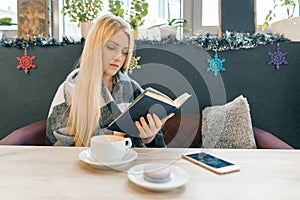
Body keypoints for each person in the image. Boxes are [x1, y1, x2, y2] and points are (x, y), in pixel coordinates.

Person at [46, 14, 171, 147]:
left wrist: (149, 138)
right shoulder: (70, 89)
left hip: (130, 165)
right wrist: (110, 138)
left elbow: (154, 150)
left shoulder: (132, 88)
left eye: (124, 52)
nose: (119, 57)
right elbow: (59, 146)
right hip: (84, 165)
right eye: (111, 47)